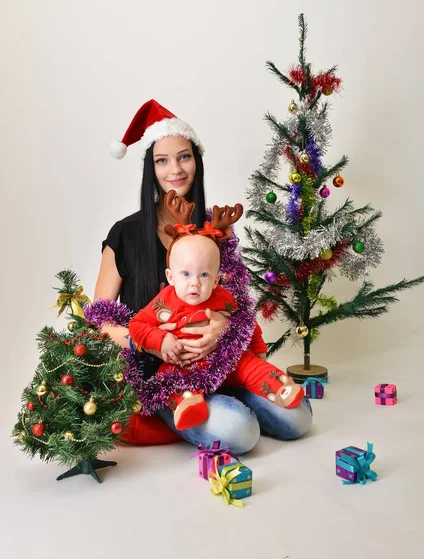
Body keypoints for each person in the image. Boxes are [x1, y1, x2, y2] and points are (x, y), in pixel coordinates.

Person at [90, 99, 313, 455]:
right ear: (151, 168)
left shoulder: (215, 231)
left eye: (184, 156)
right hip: (161, 378)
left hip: (223, 363)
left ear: (197, 161)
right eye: (162, 160)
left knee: (298, 419)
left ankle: (224, 402)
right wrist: (151, 341)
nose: (174, 169)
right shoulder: (125, 234)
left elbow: (239, 304)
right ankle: (174, 412)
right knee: (240, 432)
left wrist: (222, 328)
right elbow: (99, 321)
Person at [128, 191, 305, 431]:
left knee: (250, 365)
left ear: (216, 280)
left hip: (225, 361)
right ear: (170, 277)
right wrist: (162, 341)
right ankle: (189, 405)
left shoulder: (223, 298)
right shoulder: (163, 302)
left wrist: (258, 349)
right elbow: (137, 325)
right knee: (168, 377)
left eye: (204, 275)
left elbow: (246, 323)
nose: (195, 283)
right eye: (186, 274)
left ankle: (279, 386)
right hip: (183, 363)